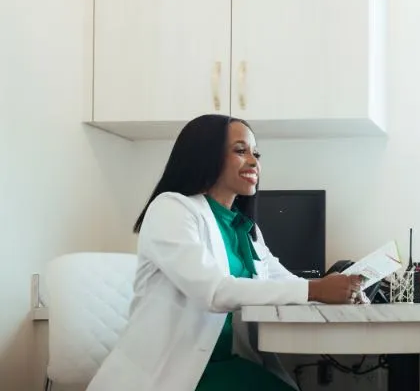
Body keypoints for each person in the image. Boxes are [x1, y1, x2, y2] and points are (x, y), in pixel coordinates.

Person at [88, 114, 363, 391]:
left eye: (256, 153)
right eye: (240, 151)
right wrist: (315, 290)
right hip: (173, 373)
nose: (254, 161)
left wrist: (341, 291)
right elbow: (215, 292)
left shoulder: (245, 228)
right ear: (205, 155)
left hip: (224, 363)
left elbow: (286, 283)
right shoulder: (172, 209)